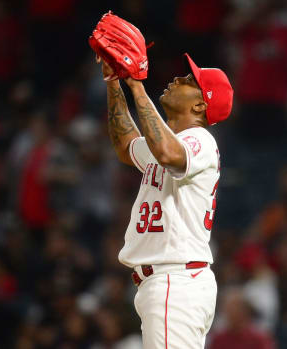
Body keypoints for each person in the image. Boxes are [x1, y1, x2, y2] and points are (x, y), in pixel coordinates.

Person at [97, 52, 233, 349]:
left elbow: (168, 154)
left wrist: (137, 87)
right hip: (166, 282)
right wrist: (114, 83)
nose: (177, 78)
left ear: (200, 104)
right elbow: (126, 146)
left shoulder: (200, 139)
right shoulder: (173, 142)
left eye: (189, 80)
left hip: (176, 280)